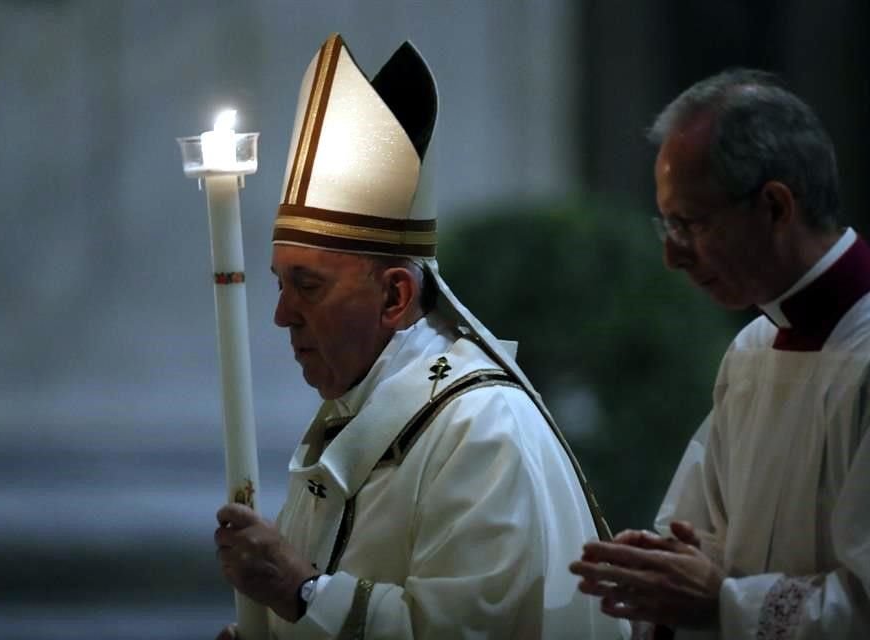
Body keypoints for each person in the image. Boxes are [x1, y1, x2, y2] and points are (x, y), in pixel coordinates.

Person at [212, 33, 628, 639]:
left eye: (308, 286)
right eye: (280, 284)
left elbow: (470, 632)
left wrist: (299, 592)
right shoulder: (355, 414)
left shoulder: (482, 431)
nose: (281, 316)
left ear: (395, 297)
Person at [569, 68, 870, 638]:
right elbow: (697, 531)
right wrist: (661, 570)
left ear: (776, 207)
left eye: (689, 224)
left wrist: (720, 603)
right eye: (667, 224)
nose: (672, 256)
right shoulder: (753, 349)